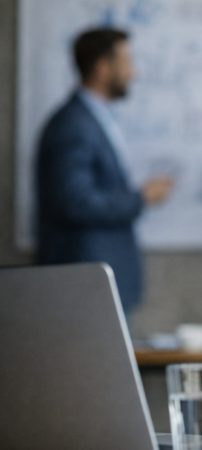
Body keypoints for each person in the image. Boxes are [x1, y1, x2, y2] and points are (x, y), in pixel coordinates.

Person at [35, 29, 172, 317]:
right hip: (85, 285)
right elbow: (76, 202)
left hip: (99, 283)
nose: (133, 73)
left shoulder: (96, 118)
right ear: (102, 68)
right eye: (127, 63)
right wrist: (140, 198)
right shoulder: (73, 125)